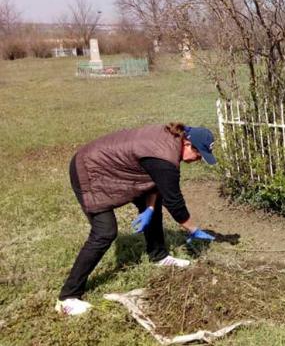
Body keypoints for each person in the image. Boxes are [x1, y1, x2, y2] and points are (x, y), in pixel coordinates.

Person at [56, 123, 218, 316]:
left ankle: (159, 256)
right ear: (187, 143)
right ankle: (67, 298)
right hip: (89, 169)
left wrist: (149, 208)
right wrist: (193, 229)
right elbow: (175, 202)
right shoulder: (164, 156)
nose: (198, 160)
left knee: (154, 204)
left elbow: (155, 183)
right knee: (104, 232)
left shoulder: (170, 143)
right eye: (198, 154)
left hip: (108, 166)